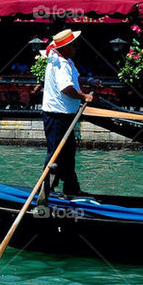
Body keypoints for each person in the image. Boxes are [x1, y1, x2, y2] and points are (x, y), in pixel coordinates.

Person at [40, 29, 94, 197]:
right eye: (74, 45)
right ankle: (46, 189)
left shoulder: (65, 61)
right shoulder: (61, 64)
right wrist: (84, 96)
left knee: (68, 152)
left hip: (64, 114)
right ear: (65, 47)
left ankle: (71, 187)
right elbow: (66, 88)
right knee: (56, 153)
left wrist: (88, 81)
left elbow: (73, 79)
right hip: (57, 115)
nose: (76, 48)